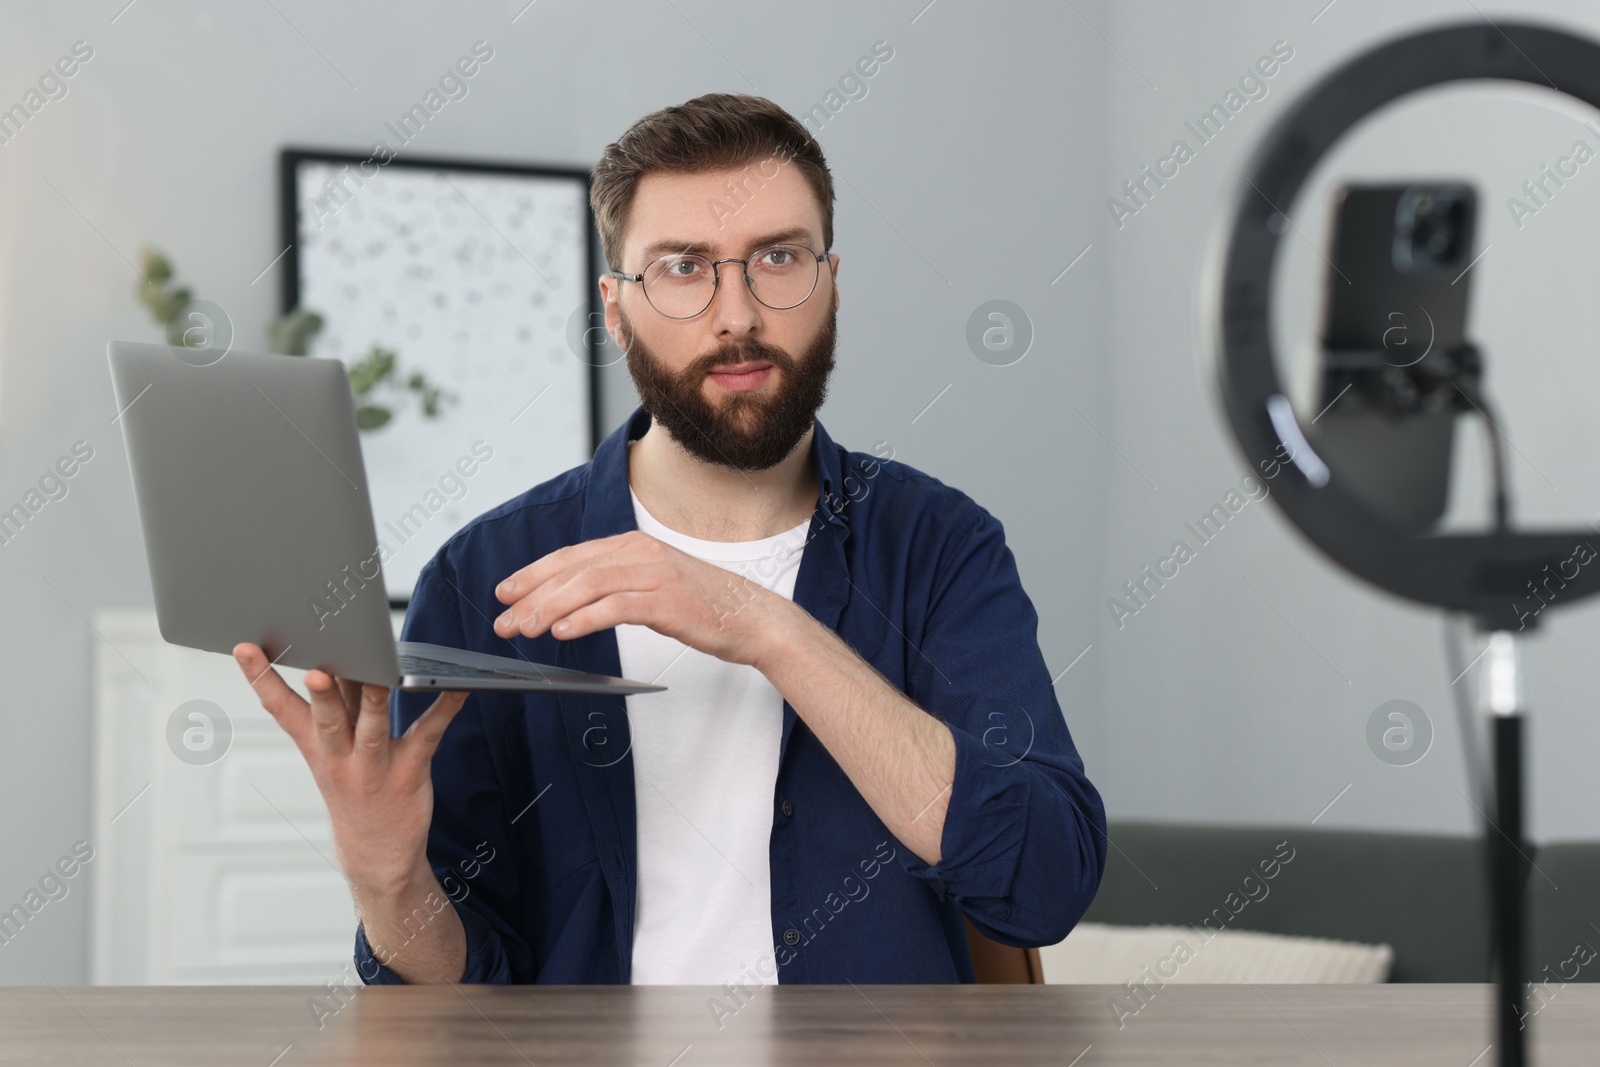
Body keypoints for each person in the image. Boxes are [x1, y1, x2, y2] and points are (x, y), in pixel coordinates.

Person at [233, 92, 1105, 987]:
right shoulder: (485, 577)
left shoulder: (939, 547)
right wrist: (388, 882)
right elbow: (465, 985)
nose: (737, 315)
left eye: (777, 257)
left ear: (831, 281)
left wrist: (764, 626)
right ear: (615, 309)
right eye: (684, 267)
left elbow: (1043, 887)